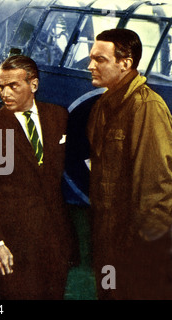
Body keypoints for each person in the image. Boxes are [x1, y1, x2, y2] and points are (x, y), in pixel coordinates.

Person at [0, 55, 77, 299]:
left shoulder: (58, 117)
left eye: (13, 86)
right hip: (13, 246)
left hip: (55, 242)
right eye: (0, 87)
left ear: (33, 85)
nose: (5, 93)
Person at [87, 28, 172, 299]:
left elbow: (156, 190)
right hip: (108, 242)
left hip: (138, 250)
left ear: (125, 63)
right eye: (91, 58)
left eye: (100, 59)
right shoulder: (103, 105)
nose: (90, 66)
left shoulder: (147, 107)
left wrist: (152, 257)